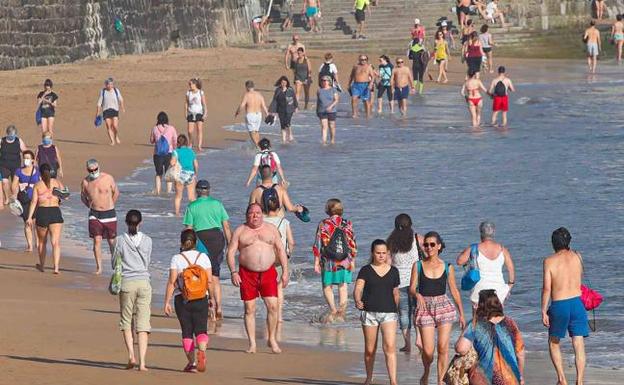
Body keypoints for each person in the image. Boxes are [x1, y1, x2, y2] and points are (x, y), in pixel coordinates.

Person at [226, 203, 289, 354]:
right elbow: (230, 252)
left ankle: (272, 339)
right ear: (247, 215)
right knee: (249, 309)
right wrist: (233, 272)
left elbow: (281, 250)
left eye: (258, 213)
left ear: (262, 214)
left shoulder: (271, 229)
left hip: (268, 272)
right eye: (252, 213)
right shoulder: (241, 231)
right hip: (247, 273)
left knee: (273, 306)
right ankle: (252, 343)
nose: (255, 216)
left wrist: (285, 271)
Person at [409, 231, 465, 385]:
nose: (428, 247)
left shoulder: (448, 267)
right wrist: (417, 295)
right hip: (424, 307)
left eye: (432, 244)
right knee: (428, 351)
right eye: (426, 244)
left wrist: (461, 314)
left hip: (443, 307)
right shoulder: (418, 265)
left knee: (443, 348)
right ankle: (426, 372)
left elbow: (454, 290)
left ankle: (441, 381)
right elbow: (412, 288)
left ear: (439, 246)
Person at [541, 227, 589, 385]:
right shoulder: (578, 256)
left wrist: (543, 311)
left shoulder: (549, 261)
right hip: (577, 303)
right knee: (578, 342)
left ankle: (562, 379)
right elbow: (578, 278)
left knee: (554, 341)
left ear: (553, 243)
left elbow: (547, 288)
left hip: (559, 304)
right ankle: (580, 380)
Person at [163, 229, 212, 372]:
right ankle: (202, 351)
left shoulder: (176, 259)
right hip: (202, 297)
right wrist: (213, 300)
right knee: (201, 329)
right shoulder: (203, 257)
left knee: (187, 331)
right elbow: (209, 281)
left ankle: (192, 364)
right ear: (196, 243)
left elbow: (172, 282)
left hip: (182, 299)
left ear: (181, 243)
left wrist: (167, 301)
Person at [183, 179, 232, 320]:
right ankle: (219, 307)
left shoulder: (192, 206)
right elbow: (226, 226)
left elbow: (189, 229)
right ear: (209, 191)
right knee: (215, 274)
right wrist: (230, 244)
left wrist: (185, 248)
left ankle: (210, 304)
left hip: (200, 239)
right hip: (217, 238)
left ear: (197, 191)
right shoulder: (217, 204)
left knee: (203, 273)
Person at [454, 290, 525, 385]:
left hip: (483, 379)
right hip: (510, 379)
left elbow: (461, 349)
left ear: (481, 306)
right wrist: (519, 376)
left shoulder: (475, 324)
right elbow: (520, 354)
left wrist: (473, 318)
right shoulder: (510, 323)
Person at [353, 240, 399, 385]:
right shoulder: (365, 270)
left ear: (387, 254)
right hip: (369, 313)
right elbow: (358, 288)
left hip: (389, 313)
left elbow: (396, 293)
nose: (381, 256)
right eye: (378, 253)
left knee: (389, 347)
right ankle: (368, 378)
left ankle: (393, 381)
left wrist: (396, 309)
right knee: (370, 349)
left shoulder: (393, 271)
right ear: (373, 253)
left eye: (384, 253)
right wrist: (357, 299)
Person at [113, 210, 152, 372]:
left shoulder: (120, 240)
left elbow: (115, 262)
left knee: (126, 321)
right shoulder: (148, 240)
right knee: (143, 324)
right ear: (140, 222)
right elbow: (148, 260)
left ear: (126, 222)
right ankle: (142, 362)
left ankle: (131, 355)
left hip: (127, 282)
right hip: (144, 282)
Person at [313, 198, 358, 322]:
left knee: (327, 286)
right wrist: (352, 260)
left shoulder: (323, 224)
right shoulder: (347, 223)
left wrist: (316, 262)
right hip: (344, 260)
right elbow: (352, 243)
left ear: (328, 210)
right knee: (342, 285)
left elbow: (318, 244)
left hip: (328, 261)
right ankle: (342, 312)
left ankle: (333, 309)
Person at [456, 221, 516, 312]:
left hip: (479, 291)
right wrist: (510, 285)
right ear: (494, 232)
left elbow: (459, 261)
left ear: (480, 232)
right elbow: (511, 268)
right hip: (498, 292)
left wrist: (465, 253)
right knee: (496, 319)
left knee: (478, 321)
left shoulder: (473, 248)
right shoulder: (502, 249)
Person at [386, 213, 424, 352]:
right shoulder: (417, 238)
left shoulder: (390, 242)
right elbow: (430, 252)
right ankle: (419, 339)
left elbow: (388, 263)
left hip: (399, 282)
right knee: (417, 311)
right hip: (417, 281)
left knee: (403, 312)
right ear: (411, 224)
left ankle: (407, 344)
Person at [80, 158, 119, 274]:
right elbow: (83, 196)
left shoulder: (108, 178)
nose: (93, 172)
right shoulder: (85, 182)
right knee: (97, 240)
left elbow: (116, 192)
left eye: (95, 169)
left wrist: (110, 204)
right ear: (87, 170)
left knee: (112, 241)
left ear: (98, 167)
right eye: (90, 170)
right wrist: (89, 205)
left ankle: (116, 263)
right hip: (94, 214)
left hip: (109, 213)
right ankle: (99, 267)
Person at [26, 163, 66, 274]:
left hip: (42, 212)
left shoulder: (38, 185)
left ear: (40, 173)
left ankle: (42, 265)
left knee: (42, 242)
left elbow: (34, 202)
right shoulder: (57, 182)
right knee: (56, 242)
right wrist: (59, 199)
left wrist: (29, 217)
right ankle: (56, 268)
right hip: (55, 212)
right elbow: (65, 196)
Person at [263, 197, 295, 323]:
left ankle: (270, 312)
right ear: (279, 207)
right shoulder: (284, 222)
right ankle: (279, 316)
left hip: (267, 257)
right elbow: (292, 242)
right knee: (279, 287)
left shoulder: (262, 222)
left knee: (268, 286)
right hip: (280, 257)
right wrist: (288, 253)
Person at [12, 150, 40, 252]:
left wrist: (34, 186)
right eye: (24, 158)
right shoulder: (19, 171)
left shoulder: (37, 171)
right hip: (24, 200)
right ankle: (30, 246)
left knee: (35, 221)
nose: (26, 160)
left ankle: (37, 242)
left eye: (28, 158)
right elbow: (14, 184)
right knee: (27, 222)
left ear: (33, 160)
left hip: (36, 200)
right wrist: (16, 192)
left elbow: (42, 184)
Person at [234, 80, 269, 148]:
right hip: (259, 114)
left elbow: (242, 105)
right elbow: (264, 106)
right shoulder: (259, 94)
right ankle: (260, 145)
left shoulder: (247, 95)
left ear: (247, 87)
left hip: (250, 114)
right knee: (256, 131)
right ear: (253, 86)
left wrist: (237, 112)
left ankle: (257, 146)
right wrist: (267, 114)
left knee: (251, 131)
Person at [149, 111, 177, 195]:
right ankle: (168, 192)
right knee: (168, 173)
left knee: (158, 173)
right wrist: (175, 150)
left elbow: (151, 140)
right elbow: (175, 140)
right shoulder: (171, 128)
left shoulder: (154, 128)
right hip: (169, 153)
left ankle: (158, 191)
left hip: (157, 154)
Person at [0, 125, 28, 207]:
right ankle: (7, 198)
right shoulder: (2, 141)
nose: (12, 136)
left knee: (14, 184)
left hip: (16, 166)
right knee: (5, 182)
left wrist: (27, 161)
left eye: (14, 135)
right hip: (4, 165)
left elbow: (25, 151)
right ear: (7, 133)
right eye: (11, 135)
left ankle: (14, 198)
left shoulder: (18, 141)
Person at [170, 134, 198, 216]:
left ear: (178, 142)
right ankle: (193, 213)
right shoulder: (191, 151)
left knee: (178, 196)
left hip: (180, 175)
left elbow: (172, 163)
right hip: (190, 174)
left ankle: (177, 213)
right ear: (186, 142)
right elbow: (196, 165)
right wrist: (195, 174)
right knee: (191, 197)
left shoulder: (176, 151)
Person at [95, 78, 125, 146]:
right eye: (108, 84)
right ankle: (112, 141)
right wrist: (97, 113)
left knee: (114, 126)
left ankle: (116, 136)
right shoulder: (103, 91)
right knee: (109, 126)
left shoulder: (116, 90)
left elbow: (121, 99)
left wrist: (122, 107)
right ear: (105, 85)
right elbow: (99, 103)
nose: (110, 85)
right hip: (106, 110)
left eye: (111, 84)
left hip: (115, 110)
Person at [268, 76, 298, 144]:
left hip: (289, 109)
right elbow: (274, 100)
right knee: (282, 124)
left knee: (287, 122)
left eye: (285, 82)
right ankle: (284, 139)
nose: (283, 83)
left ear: (287, 83)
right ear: (280, 83)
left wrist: (296, 107)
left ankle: (290, 134)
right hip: (281, 109)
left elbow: (294, 98)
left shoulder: (290, 89)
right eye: (282, 82)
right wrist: (272, 110)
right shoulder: (278, 90)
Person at [317, 76, 340, 145]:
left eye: (325, 80)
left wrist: (331, 106)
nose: (324, 82)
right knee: (324, 126)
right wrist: (317, 110)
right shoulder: (319, 90)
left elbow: (336, 100)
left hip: (332, 111)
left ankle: (332, 139)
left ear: (329, 81)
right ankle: (324, 141)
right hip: (321, 110)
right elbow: (318, 101)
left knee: (331, 125)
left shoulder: (333, 90)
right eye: (322, 80)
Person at [184, 78, 206, 151]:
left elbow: (204, 103)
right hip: (191, 113)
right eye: (189, 84)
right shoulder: (188, 93)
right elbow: (186, 103)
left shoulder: (200, 92)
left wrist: (205, 112)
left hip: (199, 113)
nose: (190, 85)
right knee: (190, 131)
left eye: (191, 84)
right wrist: (185, 113)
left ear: (195, 84)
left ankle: (199, 146)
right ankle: (191, 142)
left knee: (199, 129)